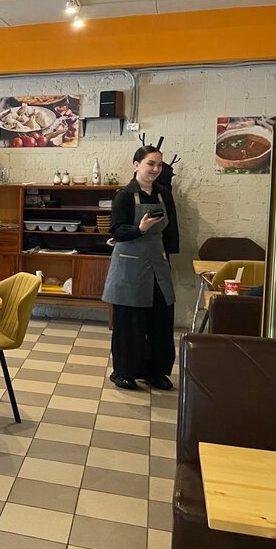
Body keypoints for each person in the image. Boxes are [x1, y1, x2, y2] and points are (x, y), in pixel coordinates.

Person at [101, 145, 179, 390]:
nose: (155, 169)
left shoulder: (163, 194)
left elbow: (171, 228)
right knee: (129, 322)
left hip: (157, 265)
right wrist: (140, 229)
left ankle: (155, 372)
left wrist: (169, 260)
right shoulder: (124, 195)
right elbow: (116, 231)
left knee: (160, 320)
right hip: (130, 266)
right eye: (150, 164)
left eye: (159, 165)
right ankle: (124, 372)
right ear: (136, 165)